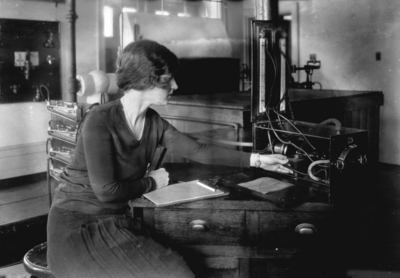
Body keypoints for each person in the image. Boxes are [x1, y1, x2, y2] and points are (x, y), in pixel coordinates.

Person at [47, 39, 292, 278]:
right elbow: (107, 192)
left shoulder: (154, 122)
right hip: (78, 227)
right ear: (146, 80)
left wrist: (258, 159)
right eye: (167, 79)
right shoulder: (100, 120)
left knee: (176, 268)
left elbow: (200, 150)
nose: (174, 85)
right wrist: (153, 182)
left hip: (116, 220)